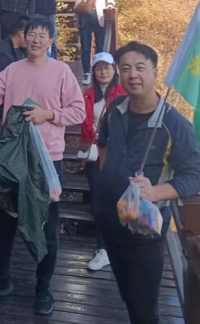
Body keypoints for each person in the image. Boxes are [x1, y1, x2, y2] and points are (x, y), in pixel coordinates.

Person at [0, 17, 85, 316]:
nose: (36, 39)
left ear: (51, 41)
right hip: (13, 159)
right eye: (31, 34)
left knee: (47, 226)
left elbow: (78, 111)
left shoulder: (61, 72)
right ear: (25, 37)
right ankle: (0, 279)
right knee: (4, 221)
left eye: (42, 35)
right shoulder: (12, 70)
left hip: (47, 159)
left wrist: (49, 114)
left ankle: (43, 288)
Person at [95, 42, 200, 324]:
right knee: (128, 296)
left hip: (144, 231)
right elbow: (103, 141)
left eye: (140, 68)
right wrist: (107, 178)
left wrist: (155, 192)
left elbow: (194, 175)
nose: (132, 75)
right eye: (125, 69)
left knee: (143, 309)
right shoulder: (116, 109)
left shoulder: (174, 124)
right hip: (110, 221)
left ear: (155, 72)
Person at [77, 52, 126, 271]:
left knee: (116, 199)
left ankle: (119, 244)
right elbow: (84, 123)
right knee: (99, 201)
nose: (103, 72)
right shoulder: (88, 95)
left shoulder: (123, 93)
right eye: (99, 68)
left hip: (118, 155)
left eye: (107, 67)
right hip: (95, 154)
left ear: (114, 69)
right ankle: (102, 249)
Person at [75, 0, 115, 86]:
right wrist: (76, 17)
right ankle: (86, 72)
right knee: (85, 46)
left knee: (100, 45)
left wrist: (110, 5)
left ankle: (98, 72)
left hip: (100, 16)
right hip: (85, 16)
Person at [0, 14, 30, 123]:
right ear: (22, 34)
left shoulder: (23, 49)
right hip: (7, 105)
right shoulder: (3, 54)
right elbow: (3, 85)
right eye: (30, 35)